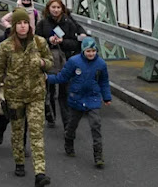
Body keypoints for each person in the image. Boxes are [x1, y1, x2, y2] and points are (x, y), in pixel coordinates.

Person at [0, 8, 53, 187]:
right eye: (19, 23)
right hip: (14, 96)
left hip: (36, 95)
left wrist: (44, 63)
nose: (23, 27)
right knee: (17, 131)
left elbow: (50, 62)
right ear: (14, 26)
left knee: (36, 132)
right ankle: (19, 161)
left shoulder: (39, 43)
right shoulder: (5, 47)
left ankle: (40, 172)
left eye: (25, 23)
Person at [47, 37, 111, 169]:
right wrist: (48, 79)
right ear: (83, 51)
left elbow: (104, 82)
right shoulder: (74, 62)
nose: (91, 54)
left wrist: (106, 97)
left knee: (95, 125)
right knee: (72, 124)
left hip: (92, 98)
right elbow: (63, 76)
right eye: (88, 51)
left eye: (93, 51)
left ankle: (98, 155)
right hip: (76, 97)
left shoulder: (101, 64)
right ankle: (69, 141)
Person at [35, 0, 87, 127]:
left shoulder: (68, 23)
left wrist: (62, 42)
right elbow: (36, 42)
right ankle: (50, 116)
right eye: (53, 7)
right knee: (49, 91)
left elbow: (76, 44)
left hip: (65, 61)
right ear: (48, 9)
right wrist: (48, 41)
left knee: (64, 91)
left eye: (58, 7)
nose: (56, 10)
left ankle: (67, 122)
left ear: (62, 9)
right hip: (49, 60)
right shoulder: (42, 24)